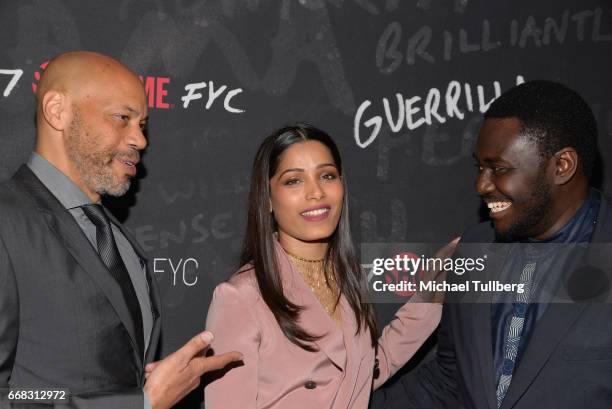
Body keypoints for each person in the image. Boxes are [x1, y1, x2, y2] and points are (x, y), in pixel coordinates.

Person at [0, 51, 241, 409]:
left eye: (141, 125)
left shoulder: (118, 241)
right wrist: (139, 403)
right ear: (57, 111)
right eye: (122, 118)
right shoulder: (7, 221)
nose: (140, 140)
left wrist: (145, 389)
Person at [371, 80, 612, 409]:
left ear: (562, 166)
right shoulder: (474, 248)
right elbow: (449, 381)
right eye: (479, 167)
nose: (481, 185)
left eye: (498, 169)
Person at [204, 124, 446, 409]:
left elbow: (362, 374)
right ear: (267, 198)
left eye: (327, 176)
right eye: (294, 180)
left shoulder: (345, 277)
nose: (316, 192)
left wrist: (437, 284)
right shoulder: (240, 298)